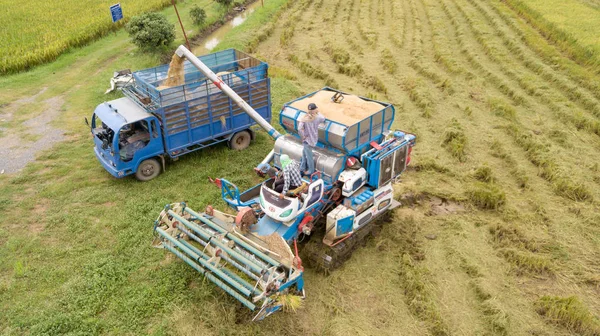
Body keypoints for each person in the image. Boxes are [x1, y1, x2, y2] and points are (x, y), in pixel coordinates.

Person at [298, 103, 325, 175]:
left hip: (306, 140)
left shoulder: (305, 118)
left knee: (304, 153)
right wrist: (318, 112)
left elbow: (299, 128)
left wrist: (303, 136)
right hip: (312, 140)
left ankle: (302, 168)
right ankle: (311, 171)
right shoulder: (317, 118)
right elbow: (323, 118)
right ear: (315, 109)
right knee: (308, 156)